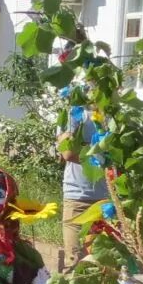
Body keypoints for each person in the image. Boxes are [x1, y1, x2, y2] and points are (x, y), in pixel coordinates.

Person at [58, 108, 106, 267]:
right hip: (78, 197)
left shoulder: (115, 114)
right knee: (75, 261)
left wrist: (86, 146)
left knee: (101, 263)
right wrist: (103, 157)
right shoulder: (75, 114)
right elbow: (68, 152)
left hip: (105, 201)